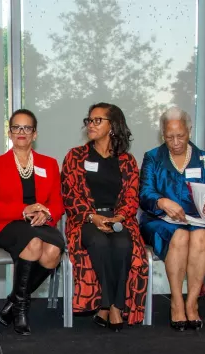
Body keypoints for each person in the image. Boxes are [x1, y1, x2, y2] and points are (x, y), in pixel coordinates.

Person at [62, 103, 148, 331]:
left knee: (122, 244)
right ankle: (112, 306)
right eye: (89, 120)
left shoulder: (127, 161)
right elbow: (70, 195)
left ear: (113, 126)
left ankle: (111, 307)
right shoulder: (76, 156)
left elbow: (132, 196)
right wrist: (92, 217)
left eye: (97, 120)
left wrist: (118, 218)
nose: (90, 125)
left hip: (120, 219)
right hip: (86, 219)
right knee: (99, 242)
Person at [0, 109, 64, 335]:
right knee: (34, 243)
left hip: (41, 223)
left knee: (53, 251)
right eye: (17, 127)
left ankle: (13, 300)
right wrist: (23, 210)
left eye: (27, 128)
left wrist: (47, 214)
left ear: (34, 134)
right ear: (10, 132)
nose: (21, 132)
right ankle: (21, 309)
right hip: (5, 224)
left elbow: (58, 202)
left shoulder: (49, 164)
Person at [140, 106, 205, 331]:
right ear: (162, 134)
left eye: (180, 136)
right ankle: (176, 301)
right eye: (169, 136)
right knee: (180, 235)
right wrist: (162, 202)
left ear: (189, 131)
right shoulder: (153, 157)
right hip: (160, 220)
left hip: (197, 220)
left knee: (202, 237)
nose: (175, 142)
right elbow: (144, 194)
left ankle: (192, 302)